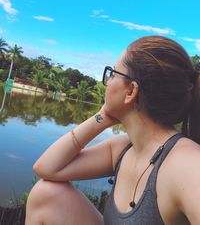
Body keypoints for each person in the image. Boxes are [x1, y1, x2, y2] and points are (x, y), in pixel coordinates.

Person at [25, 36, 200, 225]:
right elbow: (46, 169)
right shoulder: (123, 148)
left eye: (113, 74)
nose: (107, 82)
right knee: (46, 194)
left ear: (131, 91)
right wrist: (101, 118)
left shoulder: (186, 163)